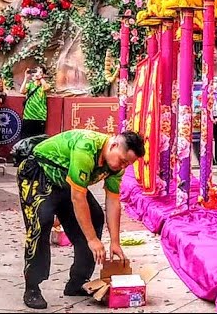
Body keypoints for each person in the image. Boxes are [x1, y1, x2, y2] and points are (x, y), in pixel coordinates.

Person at [17, 130, 144, 309]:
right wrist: (92, 239)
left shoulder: (116, 166)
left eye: (127, 164)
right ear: (114, 145)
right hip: (38, 174)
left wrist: (115, 242)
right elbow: (78, 197)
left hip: (65, 182)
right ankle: (32, 288)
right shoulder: (86, 148)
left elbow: (113, 201)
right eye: (123, 160)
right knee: (41, 222)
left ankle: (77, 281)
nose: (123, 166)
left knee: (95, 216)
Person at [21, 67, 49, 139]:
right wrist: (26, 78)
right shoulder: (30, 84)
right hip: (28, 115)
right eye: (36, 71)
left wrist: (41, 78)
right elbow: (22, 91)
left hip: (40, 116)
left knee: (38, 139)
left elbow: (46, 88)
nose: (37, 74)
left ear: (44, 74)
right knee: (25, 138)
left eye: (40, 72)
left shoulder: (44, 84)